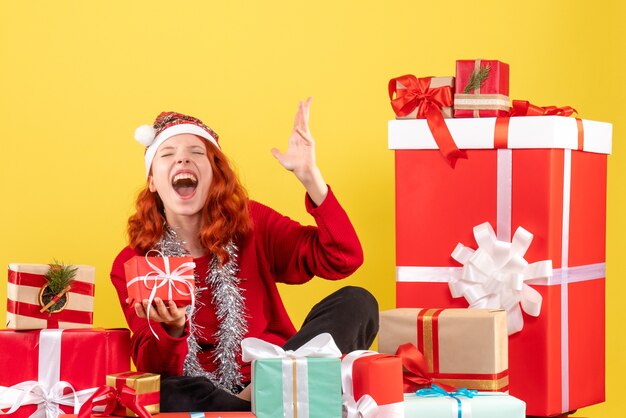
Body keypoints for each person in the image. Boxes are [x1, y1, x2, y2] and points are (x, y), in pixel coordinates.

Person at [110, 98, 378, 412]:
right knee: (166, 392)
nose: (182, 161)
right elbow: (152, 365)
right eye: (167, 155)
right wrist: (172, 329)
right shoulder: (134, 262)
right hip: (201, 390)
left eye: (197, 153)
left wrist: (311, 178)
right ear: (153, 181)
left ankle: (257, 396)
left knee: (357, 302)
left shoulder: (252, 223)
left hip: (273, 370)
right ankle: (260, 406)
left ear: (214, 175)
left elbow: (341, 257)